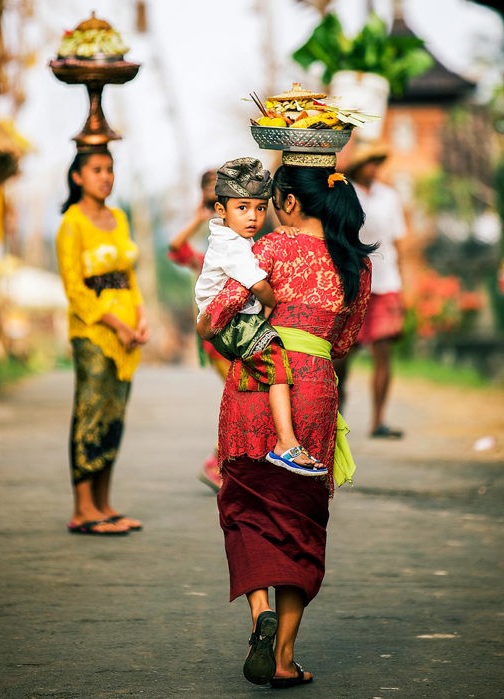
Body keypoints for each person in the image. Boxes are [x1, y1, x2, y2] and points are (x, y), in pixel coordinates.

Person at [197, 162, 375, 687]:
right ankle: (283, 657)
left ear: (290, 203)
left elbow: (221, 314)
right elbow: (343, 343)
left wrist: (206, 322)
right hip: (316, 390)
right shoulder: (356, 266)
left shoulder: (271, 248)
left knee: (246, 510)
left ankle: (259, 617)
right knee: (299, 522)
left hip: (255, 384)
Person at [196, 157, 324, 475]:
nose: (253, 217)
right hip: (229, 322)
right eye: (243, 208)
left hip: (236, 317)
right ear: (221, 210)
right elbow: (258, 285)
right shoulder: (232, 246)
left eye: (260, 208)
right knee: (275, 360)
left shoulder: (236, 238)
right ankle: (286, 442)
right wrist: (271, 303)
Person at [56, 147, 150, 536]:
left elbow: (128, 275)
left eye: (109, 169)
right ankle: (82, 508)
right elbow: (75, 290)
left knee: (116, 414)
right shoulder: (71, 223)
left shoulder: (120, 217)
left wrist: (140, 318)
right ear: (78, 176)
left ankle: (104, 504)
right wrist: (115, 323)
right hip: (94, 332)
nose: (105, 177)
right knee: (91, 412)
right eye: (96, 170)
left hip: (127, 334)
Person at [335, 142, 406, 438]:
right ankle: (335, 412)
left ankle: (378, 419)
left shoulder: (389, 196)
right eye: (369, 162)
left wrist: (406, 286)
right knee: (342, 354)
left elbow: (399, 240)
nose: (374, 168)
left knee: (383, 350)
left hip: (386, 280)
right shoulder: (343, 193)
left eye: (378, 161)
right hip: (353, 280)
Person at [168, 168, 230, 492]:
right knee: (241, 393)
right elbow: (175, 248)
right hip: (217, 337)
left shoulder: (233, 243)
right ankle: (217, 461)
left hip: (238, 334)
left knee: (241, 394)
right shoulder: (206, 256)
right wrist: (198, 217)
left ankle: (223, 462)